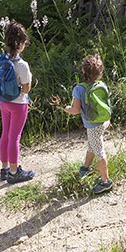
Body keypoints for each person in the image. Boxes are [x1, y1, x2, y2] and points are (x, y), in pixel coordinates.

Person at [52, 54, 113, 194]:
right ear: (100, 72)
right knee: (92, 145)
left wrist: (66, 108)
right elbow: (106, 105)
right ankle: (85, 167)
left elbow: (75, 110)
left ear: (83, 71)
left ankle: (106, 182)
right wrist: (108, 121)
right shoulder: (102, 85)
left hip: (93, 126)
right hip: (103, 122)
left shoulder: (79, 89)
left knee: (99, 151)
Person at [0, 20, 35, 184]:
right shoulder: (22, 65)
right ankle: (14, 172)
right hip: (19, 104)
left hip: (3, 102)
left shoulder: (2, 61)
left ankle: (5, 169)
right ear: (20, 43)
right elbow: (26, 89)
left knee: (5, 134)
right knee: (15, 137)